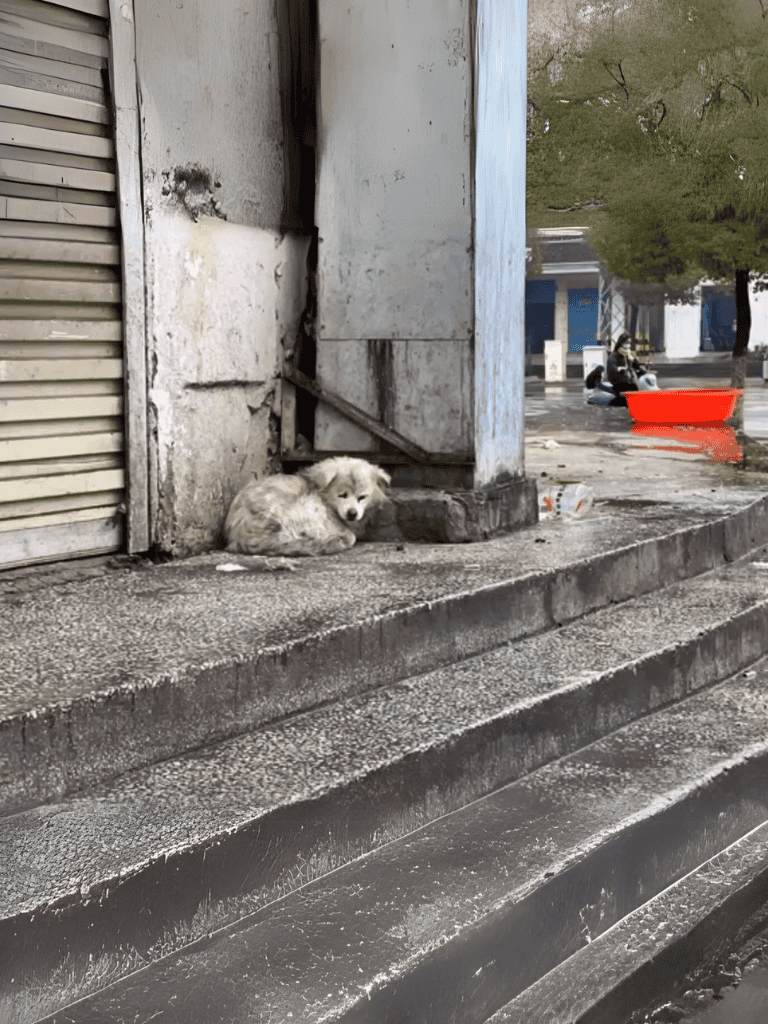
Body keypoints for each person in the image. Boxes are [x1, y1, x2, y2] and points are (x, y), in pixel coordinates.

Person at [606, 333, 653, 406]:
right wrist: (620, 369)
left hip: (629, 379)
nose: (628, 345)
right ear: (621, 343)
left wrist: (641, 366)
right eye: (627, 343)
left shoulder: (628, 354)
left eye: (629, 343)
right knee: (634, 390)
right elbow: (612, 369)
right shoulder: (614, 356)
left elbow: (635, 363)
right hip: (619, 382)